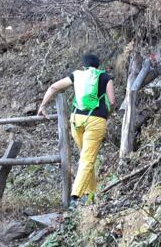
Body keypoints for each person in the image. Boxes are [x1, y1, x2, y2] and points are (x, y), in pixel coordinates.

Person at [37, 54, 115, 208]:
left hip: (76, 120)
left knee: (86, 156)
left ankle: (91, 194)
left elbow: (53, 87)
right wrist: (108, 114)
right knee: (87, 158)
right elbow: (112, 101)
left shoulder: (76, 75)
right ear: (97, 66)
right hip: (96, 120)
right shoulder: (105, 77)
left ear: (83, 66)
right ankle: (76, 196)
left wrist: (43, 105)